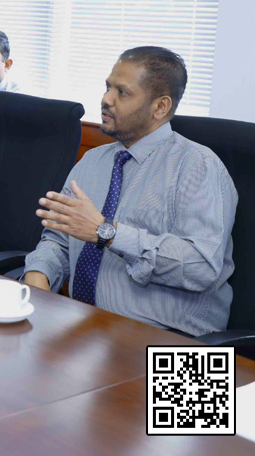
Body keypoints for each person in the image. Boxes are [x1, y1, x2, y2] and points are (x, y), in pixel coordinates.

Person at [24, 47, 237, 336]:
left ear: (160, 107)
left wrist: (106, 233)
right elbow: (59, 240)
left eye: (122, 92)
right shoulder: (92, 162)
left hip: (174, 342)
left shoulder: (198, 167)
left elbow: (202, 267)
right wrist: (38, 275)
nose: (106, 99)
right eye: (107, 86)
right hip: (85, 329)